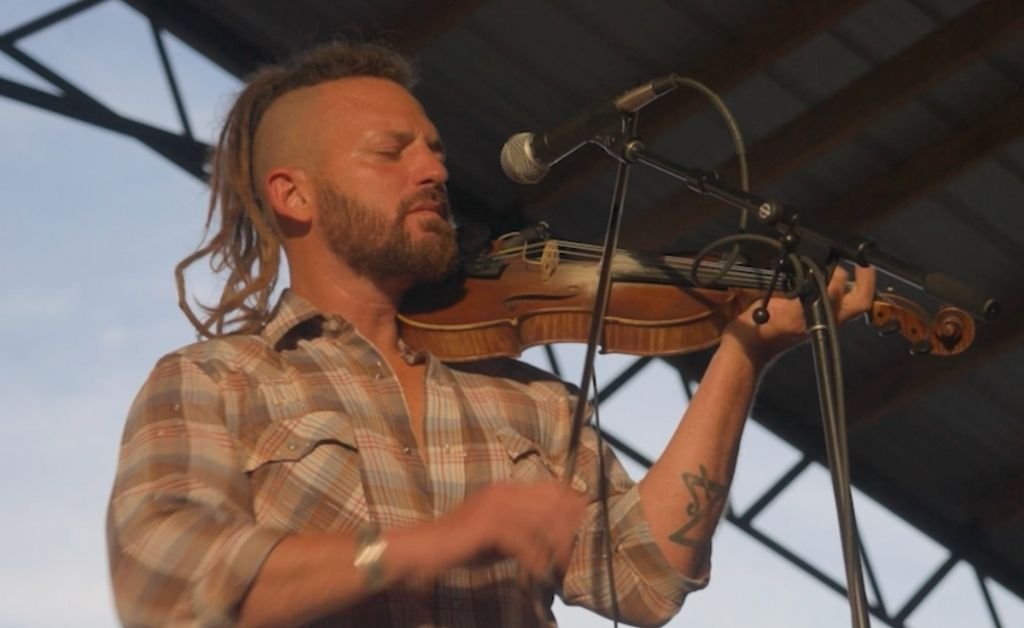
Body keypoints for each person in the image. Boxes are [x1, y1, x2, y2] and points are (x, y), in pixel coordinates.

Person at [106, 41, 875, 627]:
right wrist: (432, 544)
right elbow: (167, 584)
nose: (433, 172)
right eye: (391, 152)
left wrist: (742, 354)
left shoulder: (530, 399)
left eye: (433, 150)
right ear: (293, 196)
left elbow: (646, 577)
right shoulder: (217, 380)